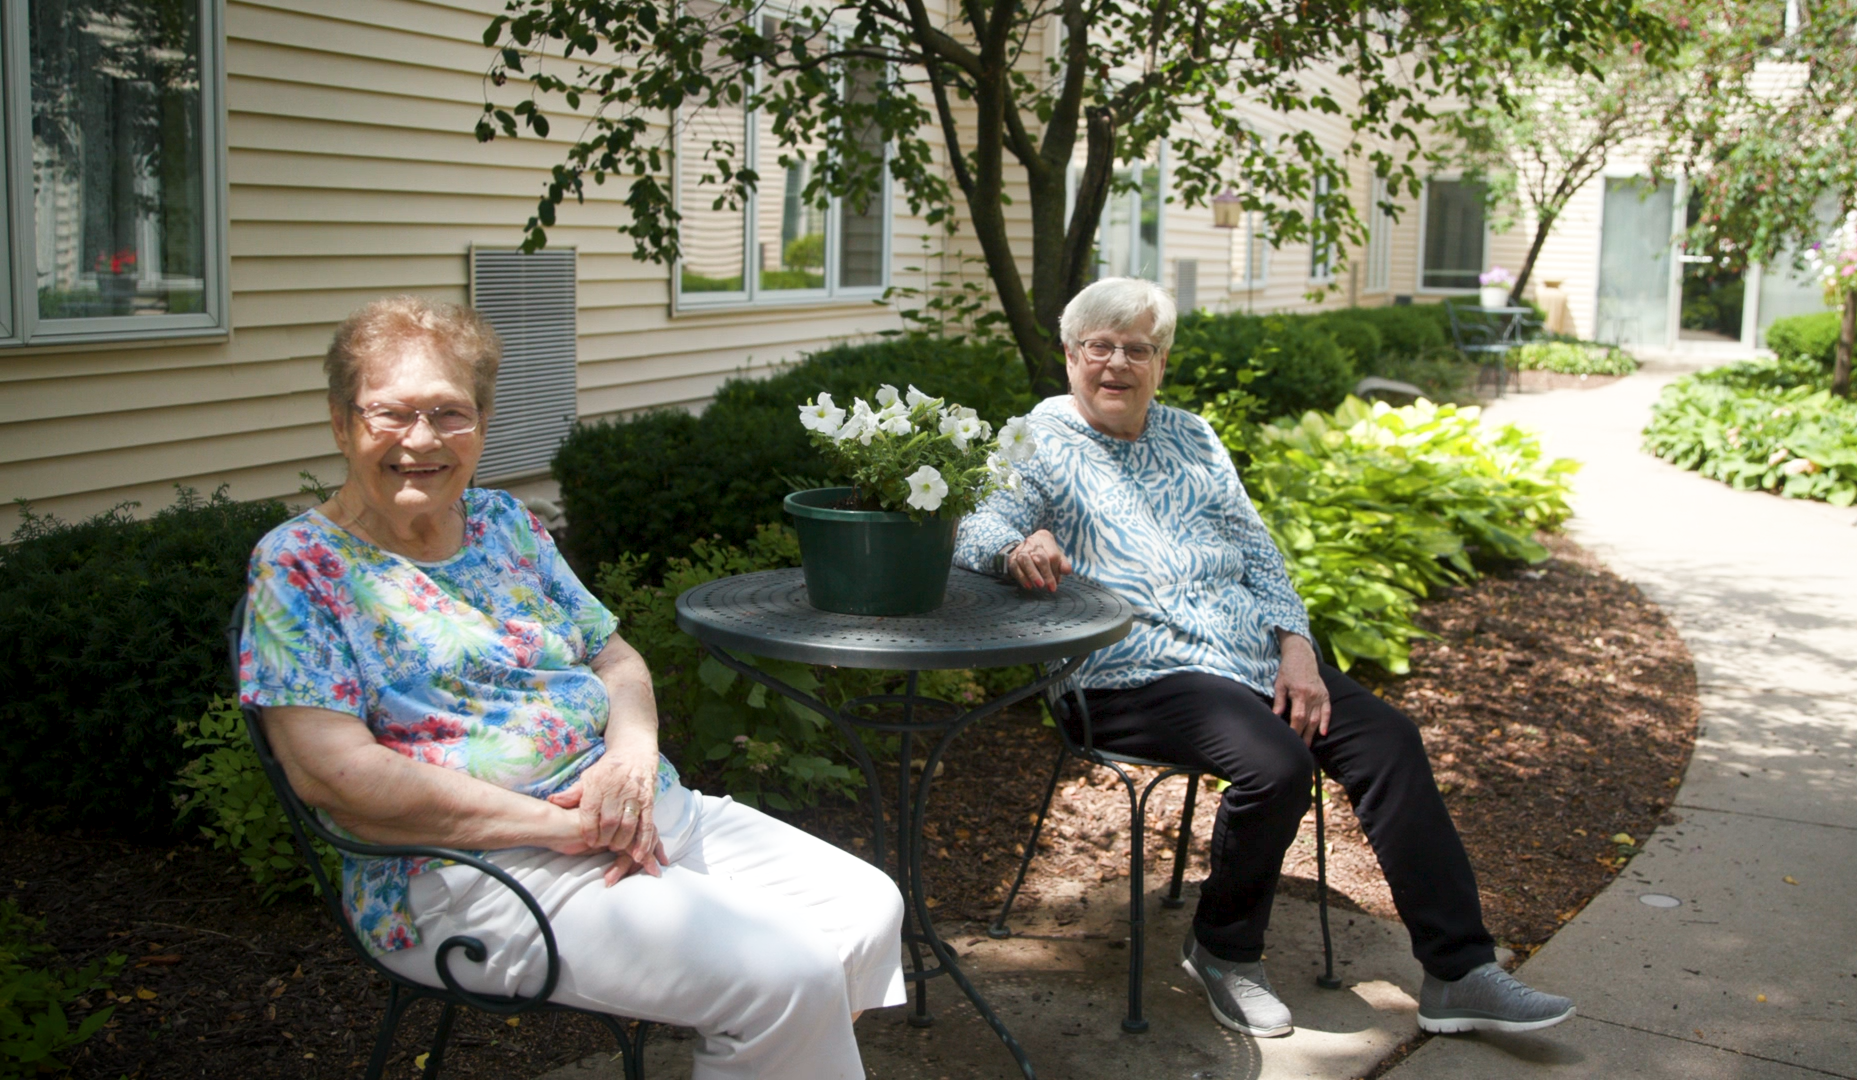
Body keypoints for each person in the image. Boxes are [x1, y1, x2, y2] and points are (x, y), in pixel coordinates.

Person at [238, 296, 904, 1080]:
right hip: (467, 874)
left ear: (482, 422)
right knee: (785, 974)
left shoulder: (503, 525)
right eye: (391, 413)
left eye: (450, 414)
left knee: (865, 911)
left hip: (633, 814)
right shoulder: (300, 565)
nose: (421, 441)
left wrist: (629, 757)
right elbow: (332, 775)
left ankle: (765, 1051)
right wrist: (556, 827)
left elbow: (614, 658)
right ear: (340, 420)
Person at [955, 277, 1572, 1039]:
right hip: (1128, 671)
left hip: (1246, 657)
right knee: (1276, 764)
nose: (1117, 364)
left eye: (1137, 349)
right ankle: (1224, 951)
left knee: (1388, 741)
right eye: (1099, 347)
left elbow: (1259, 554)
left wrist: (1299, 649)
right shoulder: (1036, 440)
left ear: (1162, 360)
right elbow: (974, 532)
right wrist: (1020, 546)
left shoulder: (1193, 437)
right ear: (1070, 354)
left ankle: (1459, 972)